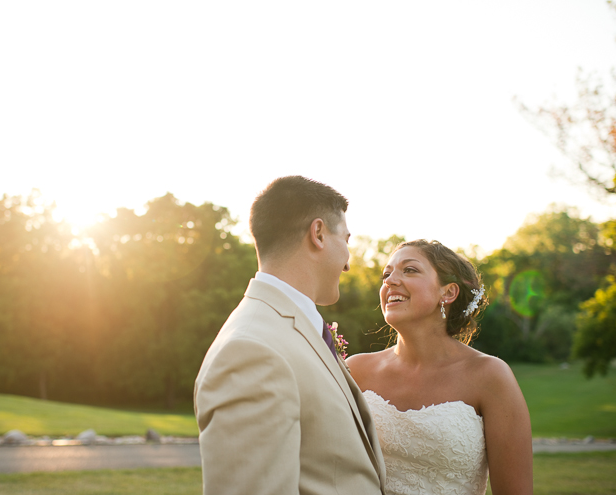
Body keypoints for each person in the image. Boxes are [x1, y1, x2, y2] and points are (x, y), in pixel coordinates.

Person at [194, 176, 387, 495]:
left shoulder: (286, 329)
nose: (349, 262)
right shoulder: (250, 351)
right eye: (347, 240)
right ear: (319, 233)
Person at [347, 240, 533, 495]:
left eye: (409, 270)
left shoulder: (490, 376)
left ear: (447, 293)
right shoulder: (356, 370)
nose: (389, 281)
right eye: (386, 274)